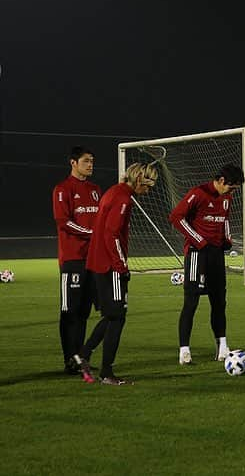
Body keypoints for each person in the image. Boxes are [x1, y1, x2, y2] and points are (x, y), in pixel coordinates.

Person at [74, 162, 157, 385]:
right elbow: (112, 235)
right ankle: (106, 373)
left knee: (112, 315)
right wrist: (121, 266)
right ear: (139, 181)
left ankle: (84, 353)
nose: (148, 191)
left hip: (98, 263)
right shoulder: (123, 198)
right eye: (147, 186)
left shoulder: (114, 191)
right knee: (118, 317)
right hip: (109, 266)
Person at [169, 164, 245, 365]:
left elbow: (225, 219)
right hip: (196, 253)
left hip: (216, 255)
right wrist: (198, 240)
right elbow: (176, 217)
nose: (232, 192)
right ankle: (184, 351)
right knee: (191, 301)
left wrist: (227, 238)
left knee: (219, 302)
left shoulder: (226, 198)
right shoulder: (198, 193)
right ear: (221, 181)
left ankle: (222, 347)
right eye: (231, 187)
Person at [53, 146, 103, 375]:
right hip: (73, 258)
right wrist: (92, 234)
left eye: (92, 161)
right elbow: (63, 221)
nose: (90, 164)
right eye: (86, 161)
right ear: (73, 163)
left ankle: (79, 357)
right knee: (69, 311)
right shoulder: (62, 190)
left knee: (83, 311)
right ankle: (69, 360)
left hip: (92, 259)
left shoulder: (95, 190)